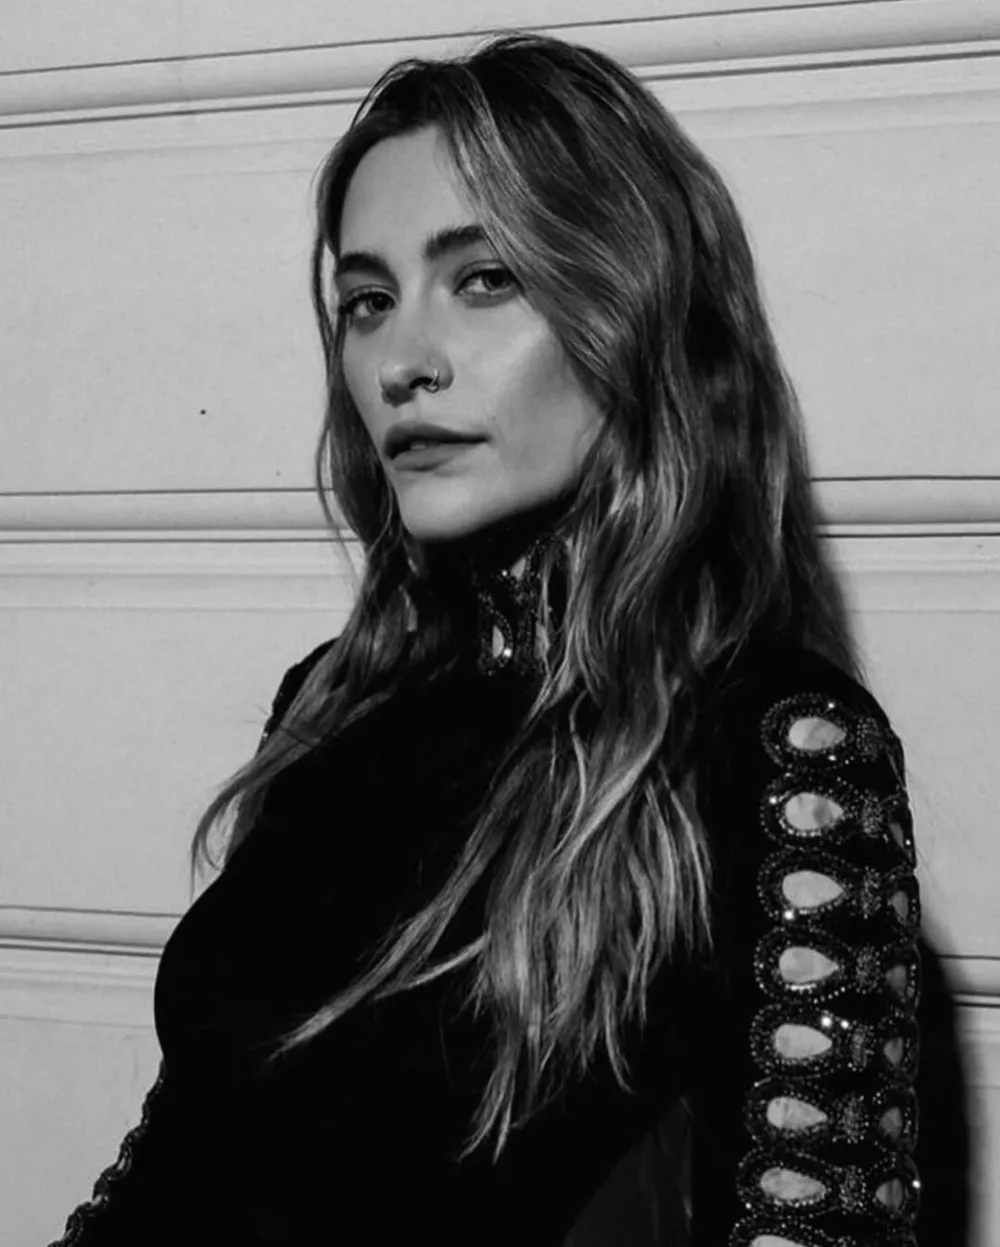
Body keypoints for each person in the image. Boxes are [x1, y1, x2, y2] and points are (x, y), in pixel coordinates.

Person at [49, 31, 922, 1247]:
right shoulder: (329, 701)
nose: (402, 362)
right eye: (367, 302)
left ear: (633, 308)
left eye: (485, 278)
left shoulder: (778, 744)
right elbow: (189, 1154)